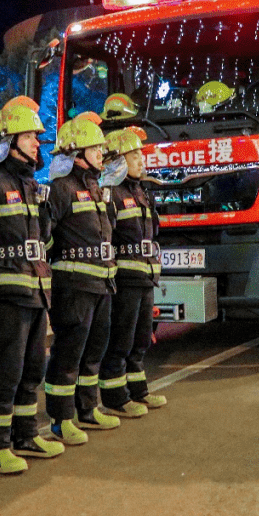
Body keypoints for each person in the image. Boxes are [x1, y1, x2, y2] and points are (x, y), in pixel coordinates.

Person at [0, 96, 66, 473]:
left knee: (31, 369)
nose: (36, 144)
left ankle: (25, 435)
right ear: (8, 143)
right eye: (28, 137)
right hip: (4, 296)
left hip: (35, 292)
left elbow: (42, 240)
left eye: (36, 138)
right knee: (3, 371)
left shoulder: (32, 186)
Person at [43, 112, 120, 446]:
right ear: (77, 153)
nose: (101, 154)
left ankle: (88, 409)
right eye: (95, 148)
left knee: (93, 350)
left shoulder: (96, 188)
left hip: (101, 285)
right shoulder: (61, 189)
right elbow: (44, 237)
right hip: (73, 288)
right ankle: (61, 420)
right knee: (68, 354)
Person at [99, 125, 167, 417]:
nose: (141, 160)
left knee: (141, 339)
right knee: (121, 340)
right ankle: (116, 399)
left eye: (141, 154)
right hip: (124, 280)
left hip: (145, 278)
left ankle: (139, 391)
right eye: (134, 155)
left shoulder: (139, 191)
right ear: (117, 160)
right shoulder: (110, 193)